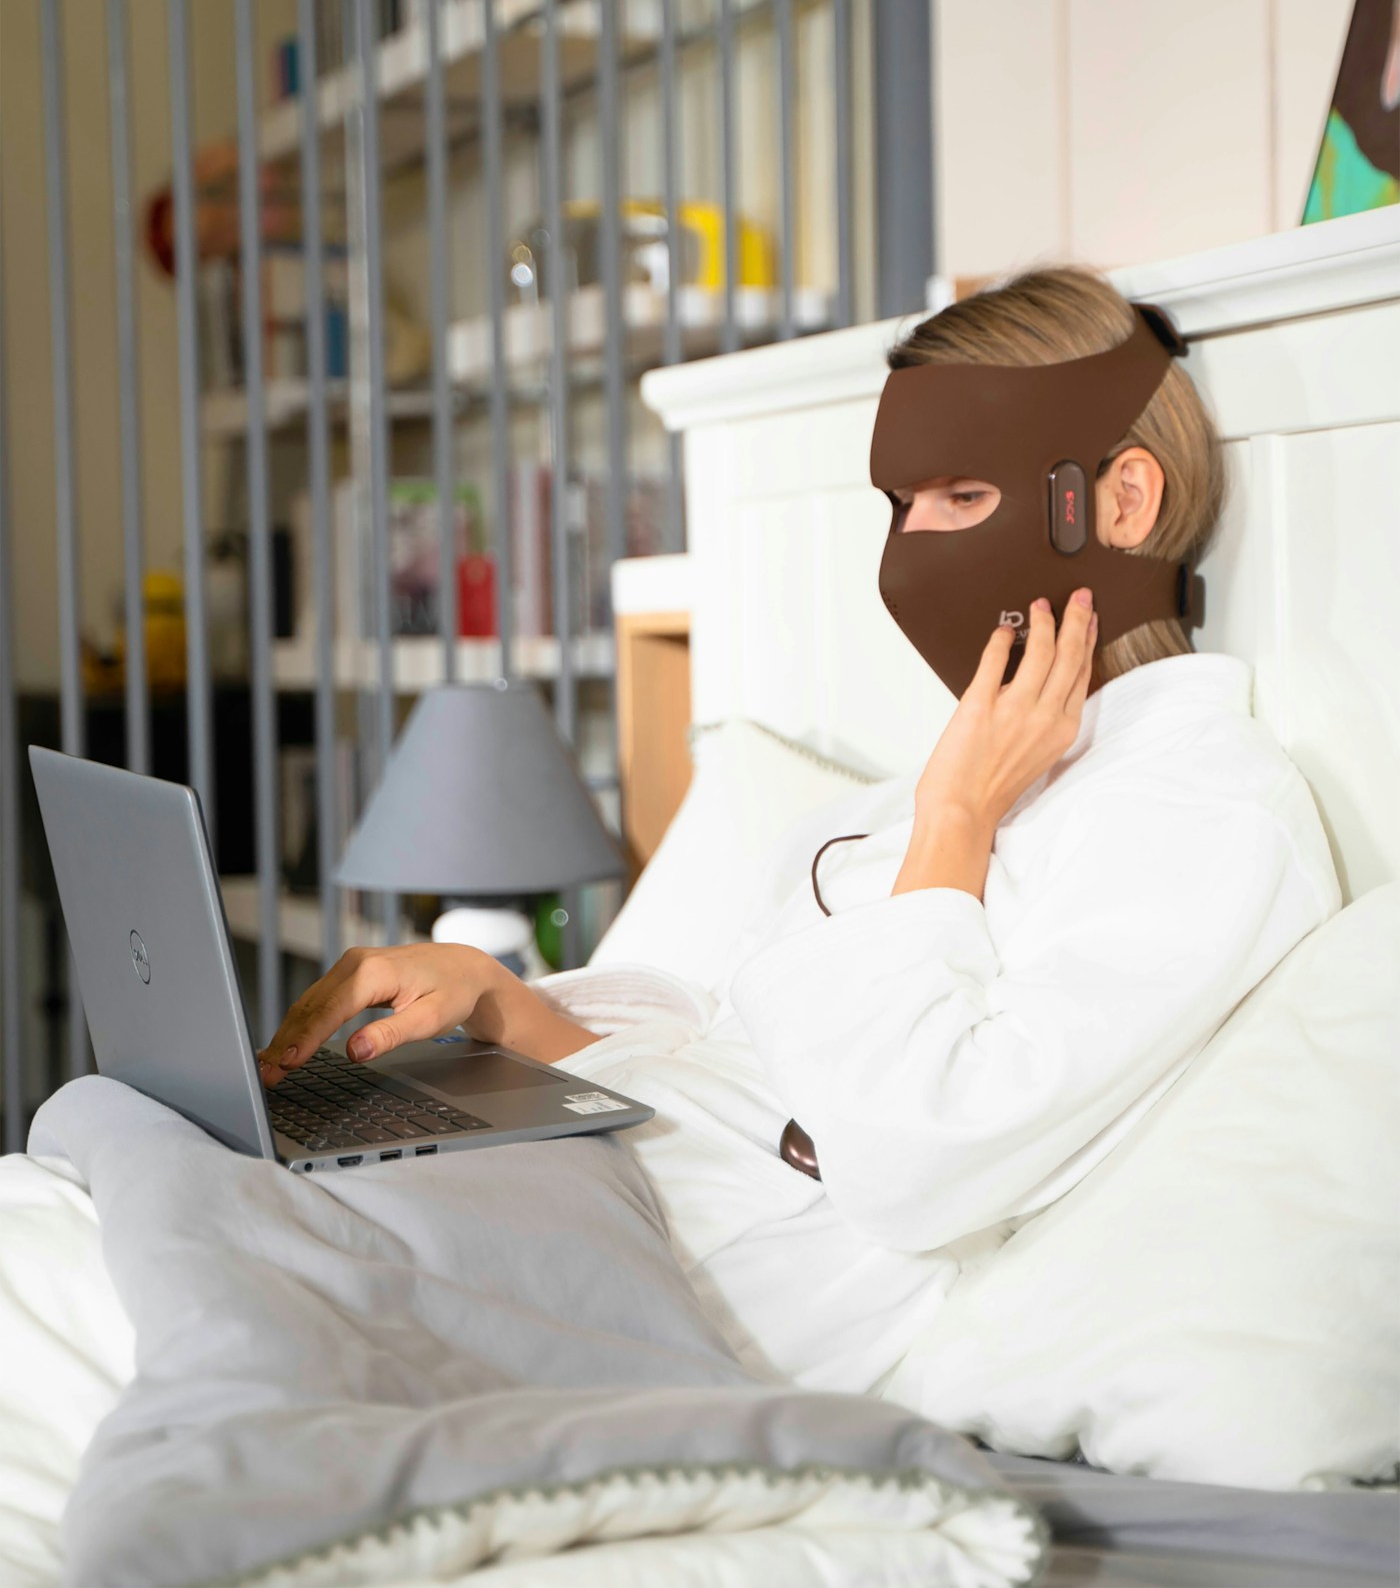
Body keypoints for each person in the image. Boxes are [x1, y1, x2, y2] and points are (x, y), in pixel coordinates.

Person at [257, 266, 1340, 1396]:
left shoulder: (1200, 810)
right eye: (896, 506)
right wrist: (515, 1012)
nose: (910, 551)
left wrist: (954, 826)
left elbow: (917, 1158)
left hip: (677, 1280)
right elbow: (738, 1057)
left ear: (1119, 503)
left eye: (960, 496)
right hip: (600, 1185)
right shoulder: (884, 810)